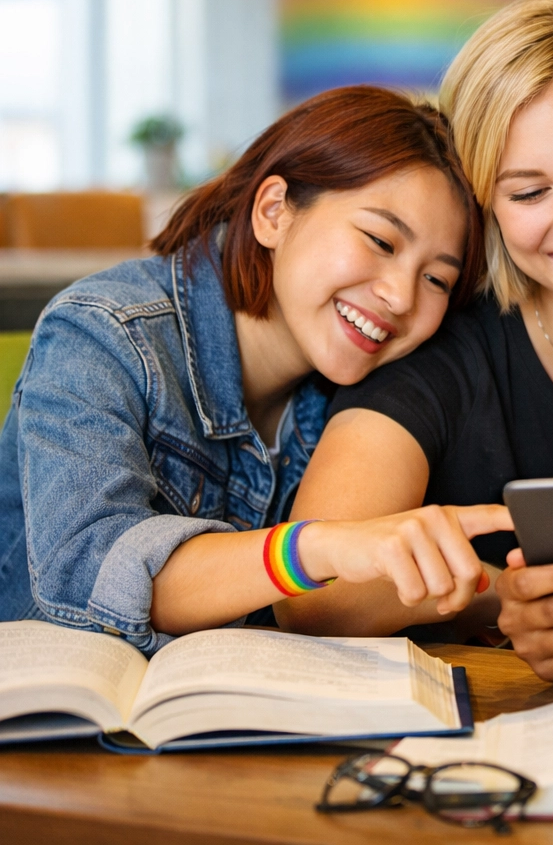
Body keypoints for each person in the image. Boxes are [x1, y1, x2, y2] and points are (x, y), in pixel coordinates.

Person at [277, 0, 553, 670]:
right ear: (486, 207)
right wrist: (502, 595)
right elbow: (316, 597)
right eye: (528, 192)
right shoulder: (442, 345)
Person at [0, 86, 509, 653]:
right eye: (380, 240)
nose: (399, 296)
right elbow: (86, 571)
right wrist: (312, 549)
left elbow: (364, 592)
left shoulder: (364, 389)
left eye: (436, 278)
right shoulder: (102, 331)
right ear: (273, 212)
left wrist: (506, 596)